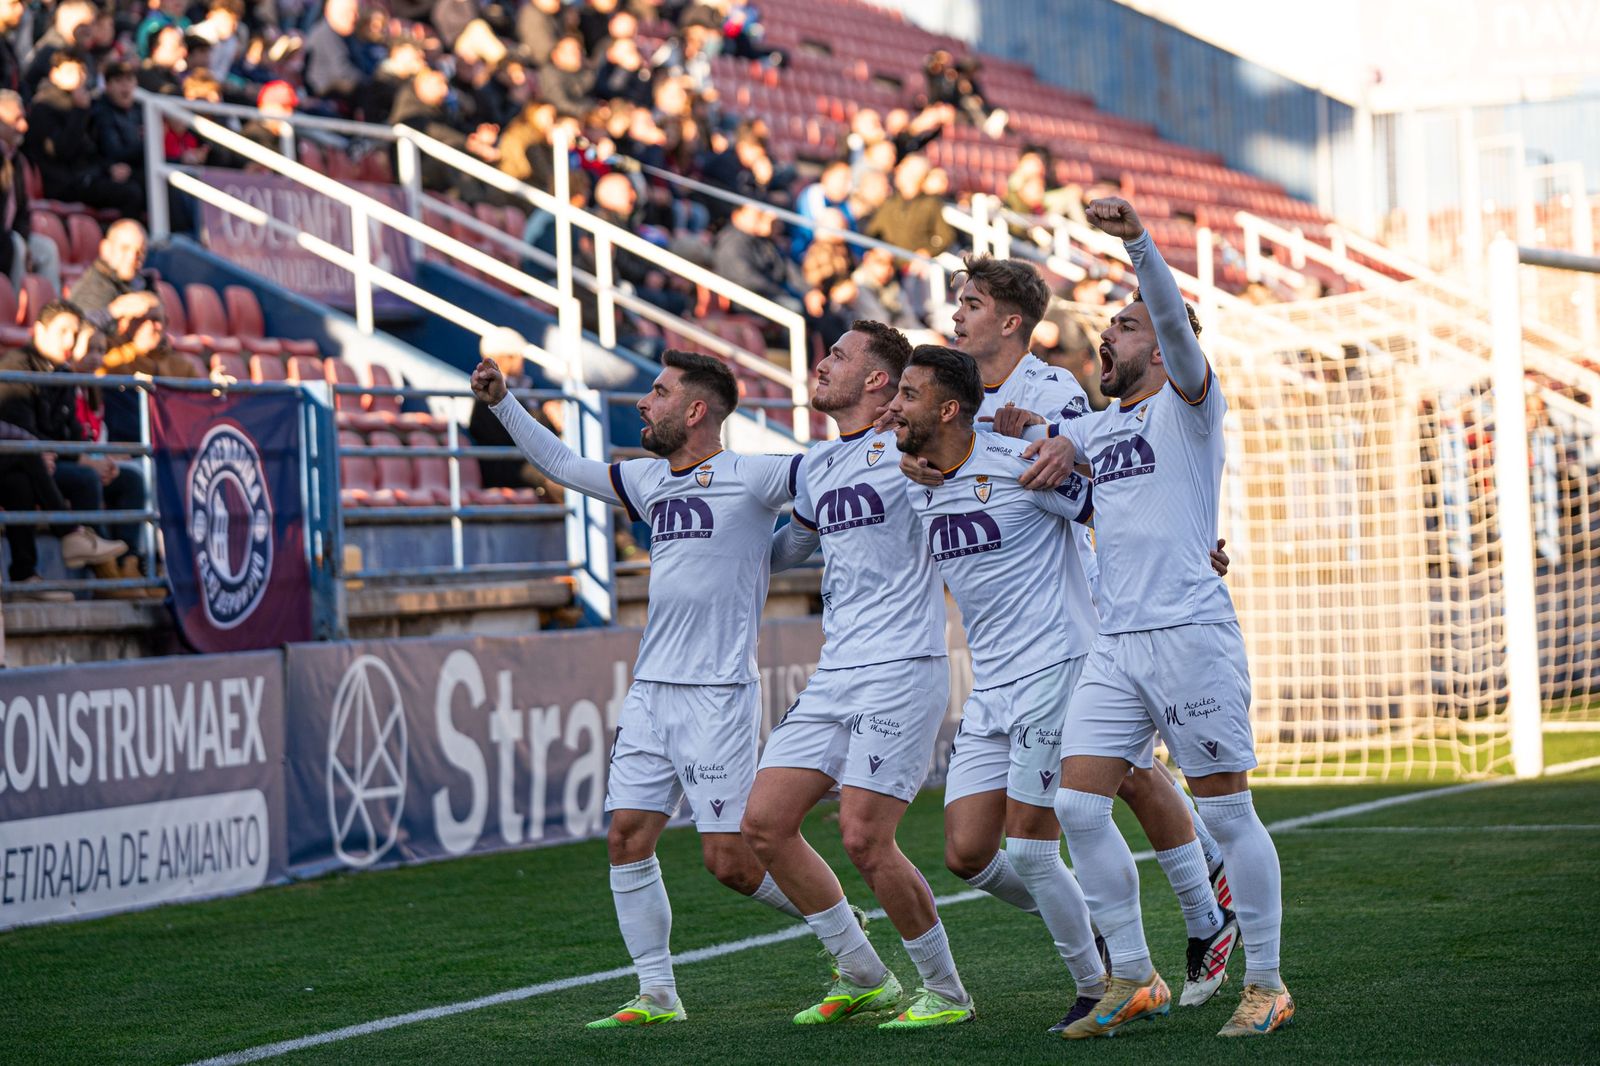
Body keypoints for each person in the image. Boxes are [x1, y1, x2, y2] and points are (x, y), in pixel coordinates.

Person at [902, 254, 1240, 1021]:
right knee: (1000, 839)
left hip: (1084, 606)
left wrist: (1194, 541)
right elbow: (942, 452)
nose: (957, 313)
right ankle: (1114, 925)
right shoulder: (949, 409)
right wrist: (919, 458)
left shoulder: (1049, 388)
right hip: (1016, 640)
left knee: (1117, 778)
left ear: (1012, 321)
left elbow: (1110, 479)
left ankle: (1183, 916)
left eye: (972, 303)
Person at [473, 348, 846, 1029]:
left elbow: (824, 481)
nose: (645, 402)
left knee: (730, 861)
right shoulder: (647, 480)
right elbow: (560, 465)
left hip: (715, 692)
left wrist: (807, 533)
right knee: (626, 836)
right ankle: (657, 994)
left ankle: (851, 948)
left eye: (658, 391)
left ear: (695, 410)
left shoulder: (753, 475)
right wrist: (502, 402)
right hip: (651, 689)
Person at [1019, 198, 1292, 1038]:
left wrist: (1137, 242)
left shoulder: (1190, 402)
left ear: (1167, 343)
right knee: (1076, 808)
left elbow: (1174, 321)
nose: (1110, 336)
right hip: (1116, 645)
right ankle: (1133, 976)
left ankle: (1269, 983)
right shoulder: (1098, 429)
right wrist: (1032, 432)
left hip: (1189, 637)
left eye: (1126, 327)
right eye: (1107, 327)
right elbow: (1062, 467)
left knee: (1226, 813)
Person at [742, 322, 974, 1029]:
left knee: (865, 837)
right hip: (836, 670)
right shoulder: (816, 466)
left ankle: (947, 993)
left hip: (902, 668)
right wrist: (720, 550)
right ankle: (864, 972)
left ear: (879, 381)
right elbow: (793, 548)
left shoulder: (912, 451)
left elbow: (980, 479)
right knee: (763, 823)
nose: (822, 363)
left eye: (838, 355)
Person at [0, 301, 127, 597]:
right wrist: (47, 451)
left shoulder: (65, 374)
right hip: (23, 459)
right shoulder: (15, 368)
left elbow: (70, 435)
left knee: (126, 479)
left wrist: (86, 457)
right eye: (63, 332)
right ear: (39, 330)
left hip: (35, 465)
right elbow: (19, 431)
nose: (70, 341)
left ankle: (28, 577)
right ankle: (75, 540)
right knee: (48, 466)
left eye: (74, 333)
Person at [23, 50, 144, 217]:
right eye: (72, 71)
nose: (79, 77)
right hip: (63, 183)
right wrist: (79, 112)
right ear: (54, 74)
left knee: (141, 181)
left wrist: (109, 168)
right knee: (130, 193)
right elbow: (62, 151)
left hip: (87, 176)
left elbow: (91, 150)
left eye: (82, 71)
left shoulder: (83, 105)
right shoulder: (43, 108)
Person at [0, 90, 59, 293]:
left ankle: (53, 315)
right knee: (15, 245)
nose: (24, 126)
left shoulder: (15, 159)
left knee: (46, 249)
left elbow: (22, 211)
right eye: (16, 119)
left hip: (10, 237)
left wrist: (23, 238)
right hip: (5, 240)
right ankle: (12, 316)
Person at [68, 220, 149, 327]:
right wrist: (112, 312)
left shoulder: (141, 284)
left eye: (141, 251)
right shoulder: (94, 288)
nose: (133, 257)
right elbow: (80, 329)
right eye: (125, 248)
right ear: (105, 248)